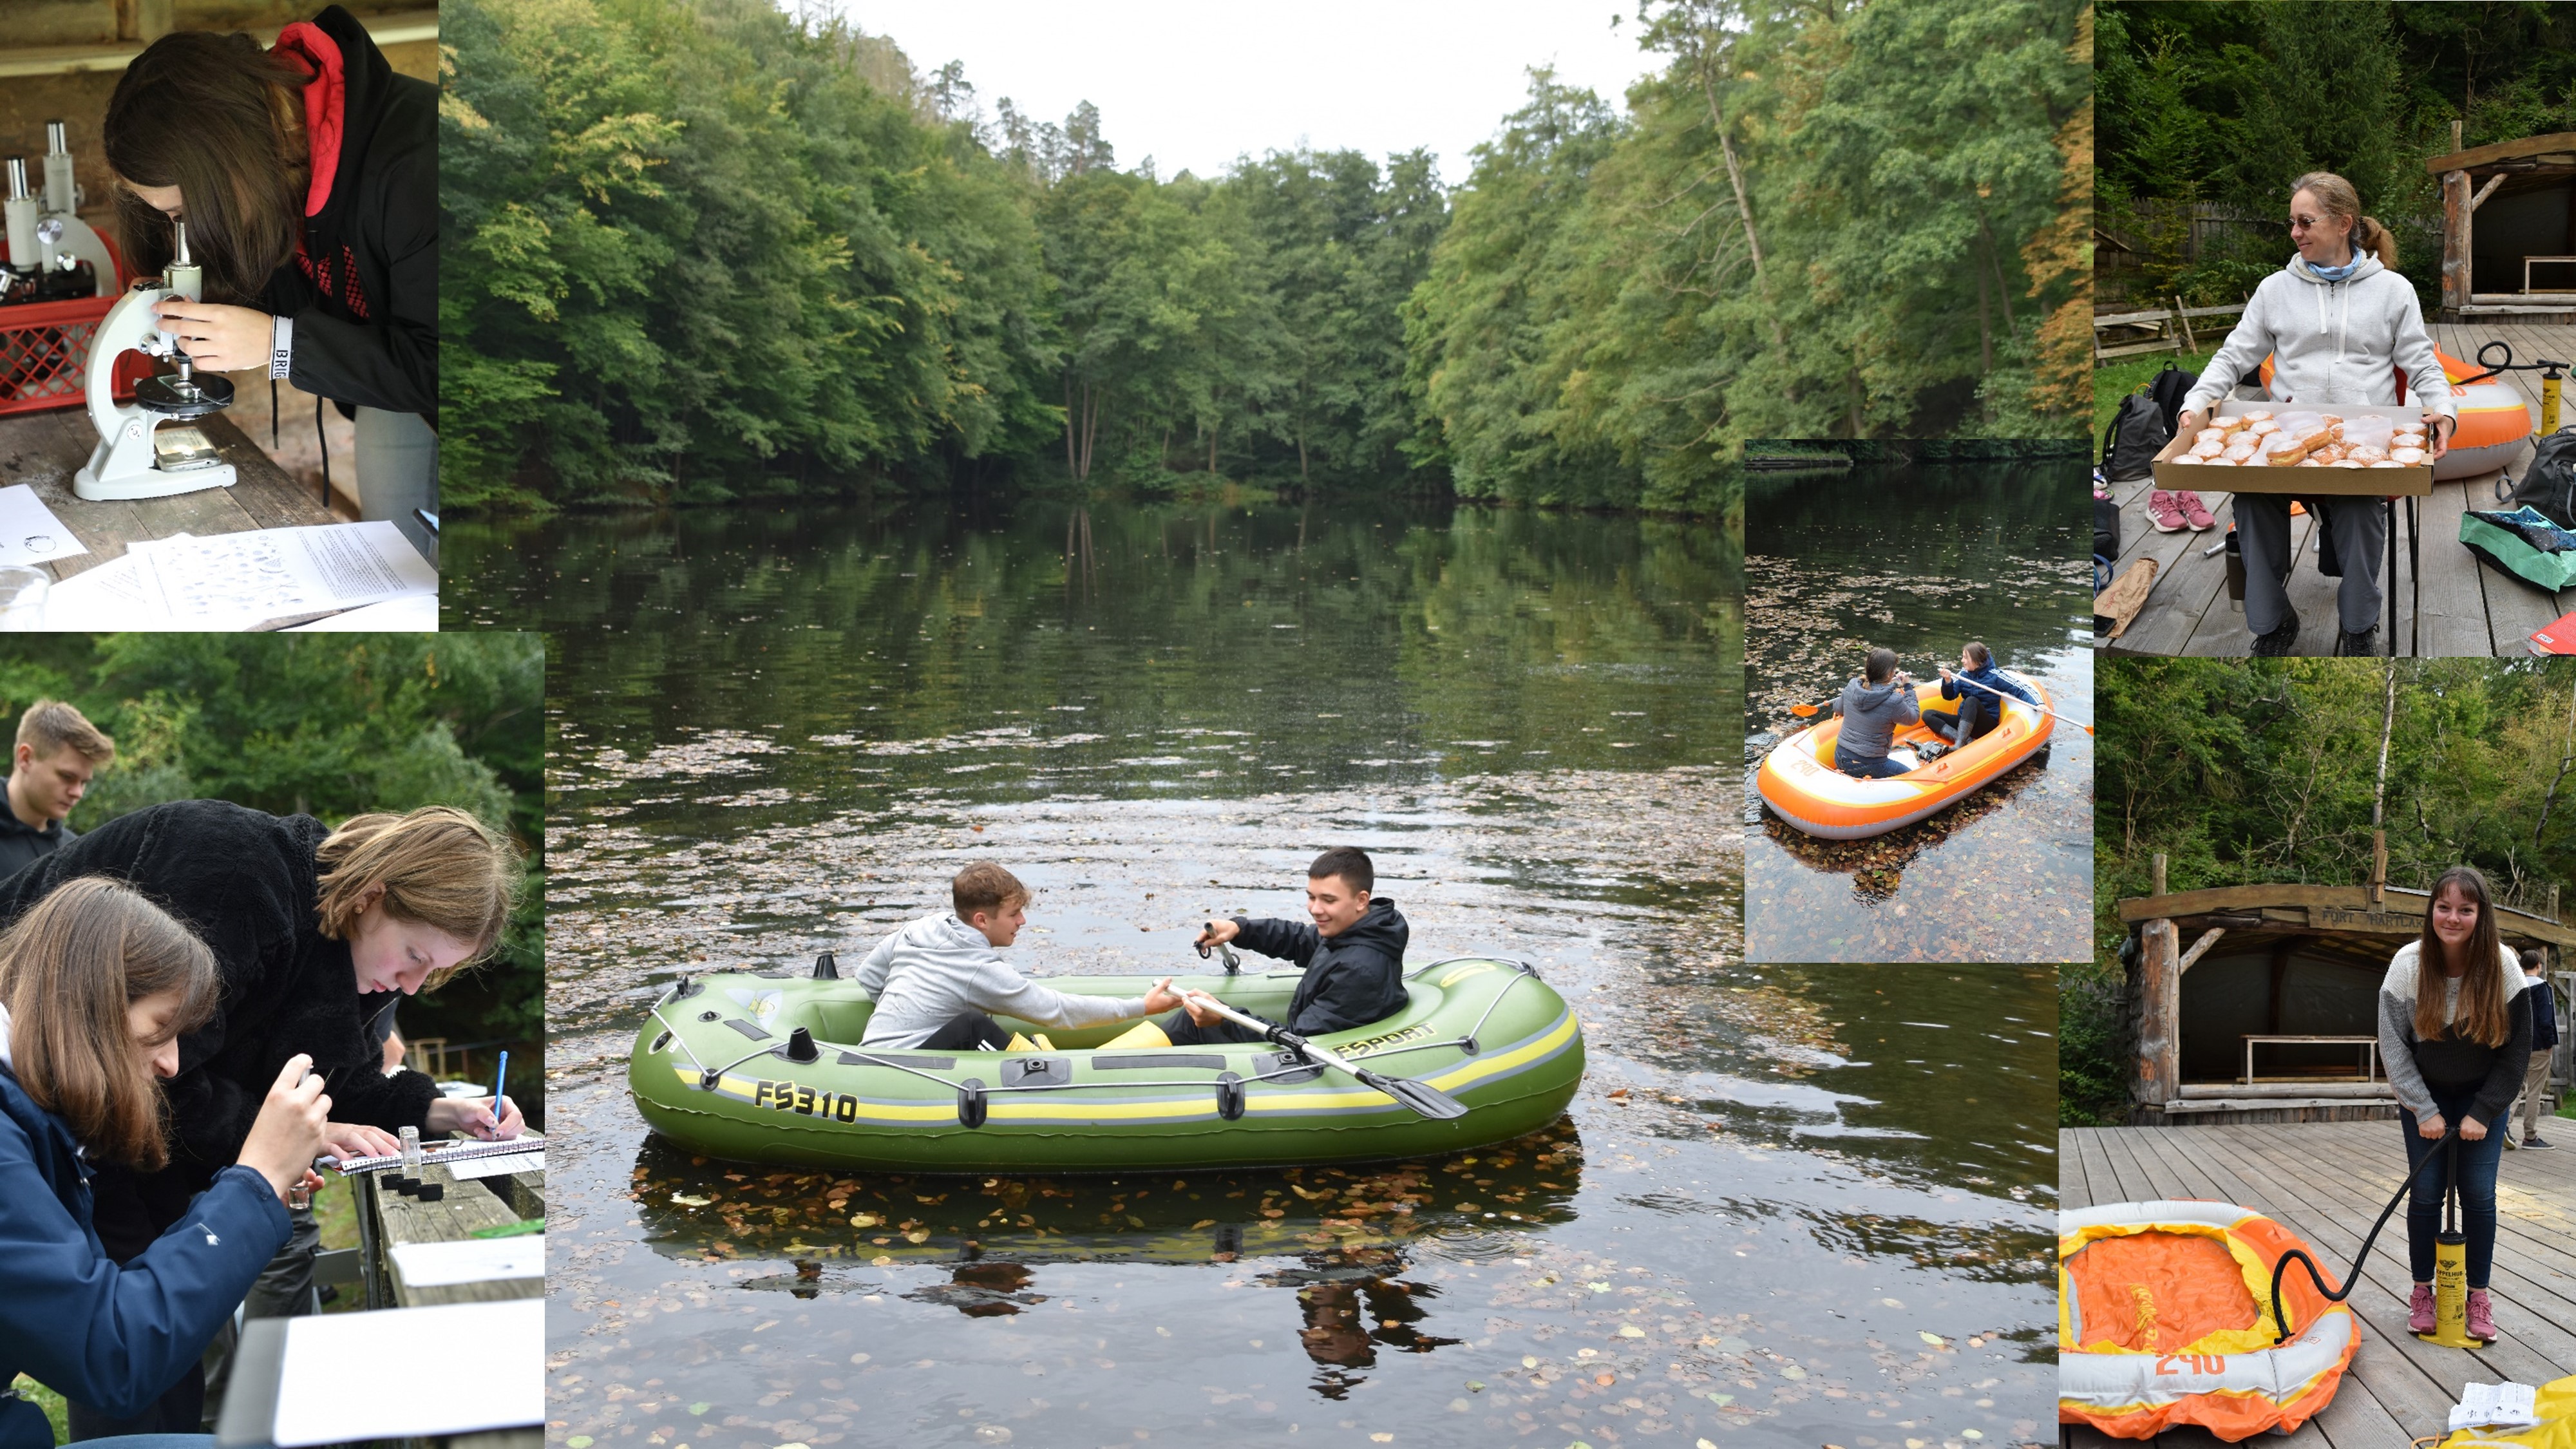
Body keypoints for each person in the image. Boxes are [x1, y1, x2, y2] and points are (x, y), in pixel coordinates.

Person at [0, 799, 522, 1438]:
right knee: (135, 1327)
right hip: (72, 1105)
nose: (412, 986)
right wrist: (264, 1158)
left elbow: (338, 1078)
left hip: (116, 1119)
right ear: (372, 896)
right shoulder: (237, 876)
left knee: (165, 1331)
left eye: (434, 973)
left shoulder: (352, 961)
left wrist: (438, 1109)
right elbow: (158, 1072)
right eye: (415, 955)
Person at [0, 877, 332, 1449]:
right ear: (87, 1006)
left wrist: (244, 1195)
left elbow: (98, 1304)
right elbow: (113, 1354)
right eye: (159, 1031)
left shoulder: (29, 1118)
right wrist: (256, 1180)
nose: (173, 1064)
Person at [104, 6, 438, 564]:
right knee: (398, 557)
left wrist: (278, 346)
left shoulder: (418, 165)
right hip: (395, 380)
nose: (180, 231)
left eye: (186, 210)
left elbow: (440, 365)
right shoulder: (277, 157)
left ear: (232, 158)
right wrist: (200, 303)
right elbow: (291, 280)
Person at [2174, 171, 2457, 658]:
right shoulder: (2274, 290)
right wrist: (2195, 402)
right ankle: (2272, 621)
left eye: (2306, 221)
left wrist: (2444, 412)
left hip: (2363, 439)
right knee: (2252, 502)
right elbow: (2233, 356)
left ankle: (2358, 625)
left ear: (2344, 223)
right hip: (2285, 436)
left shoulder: (2393, 291)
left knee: (2362, 510)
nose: (2295, 232)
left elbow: (2423, 365)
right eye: (2292, 222)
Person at [2378, 866, 2533, 1345]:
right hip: (2424, 1095)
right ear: (2431, 911)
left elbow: (2518, 1051)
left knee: (2479, 1196)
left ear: (2481, 914)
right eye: (2444, 907)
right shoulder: (2408, 964)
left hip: (2482, 1094)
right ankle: (2423, 1291)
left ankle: (2478, 1296)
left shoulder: (2503, 966)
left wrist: (2483, 1111)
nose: (2453, 917)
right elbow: (2394, 1044)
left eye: (2466, 909)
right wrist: (2423, 1108)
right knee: (2425, 1194)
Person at [853, 863, 1184, 1050]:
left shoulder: (920, 928)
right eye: (1014, 914)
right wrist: (1141, 1007)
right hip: (905, 1072)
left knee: (979, 1025)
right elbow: (1057, 1011)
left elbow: (869, 977)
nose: (1022, 922)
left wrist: (920, 1006)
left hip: (872, 1057)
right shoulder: (978, 969)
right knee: (974, 1025)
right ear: (982, 920)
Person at [1163, 846, 1408, 1046]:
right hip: (1309, 1035)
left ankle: (1126, 1070)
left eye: (1328, 900)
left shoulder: (1359, 970)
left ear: (1361, 900)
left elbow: (1299, 1039)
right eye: (1312, 897)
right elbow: (1299, 939)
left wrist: (1224, 1018)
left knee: (1190, 1023)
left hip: (1306, 1058)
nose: (1315, 909)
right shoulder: (1354, 930)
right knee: (1190, 1018)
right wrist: (1241, 930)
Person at [0, 701, 115, 880]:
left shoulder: (77, 853)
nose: (78, 793)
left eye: (83, 782)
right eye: (67, 777)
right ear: (26, 758)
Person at [1828, 648, 1919, 779]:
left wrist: (1847, 694)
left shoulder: (1853, 685)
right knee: (1913, 777)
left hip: (1840, 756)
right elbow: (1914, 717)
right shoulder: (1894, 700)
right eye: (1894, 670)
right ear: (1889, 674)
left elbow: (1838, 709)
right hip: (1869, 764)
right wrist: (1908, 687)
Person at [1928, 643, 2038, 746]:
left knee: (1971, 700)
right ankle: (1964, 740)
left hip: (1985, 725)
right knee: (1928, 714)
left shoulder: (1995, 676)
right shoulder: (1963, 674)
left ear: (1976, 660)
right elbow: (1949, 696)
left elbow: (2020, 689)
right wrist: (1948, 681)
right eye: (1963, 657)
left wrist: (2038, 704)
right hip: (1964, 723)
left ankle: (1960, 743)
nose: (1962, 661)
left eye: (1966, 658)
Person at [2507, 950, 2559, 1151]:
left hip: (2516, 1046)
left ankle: (2504, 1126)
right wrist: (2550, 1043)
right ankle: (2530, 1136)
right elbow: (2546, 1021)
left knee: (2516, 1088)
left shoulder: (2514, 987)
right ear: (2539, 964)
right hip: (2538, 1046)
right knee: (2534, 1091)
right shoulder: (2542, 988)